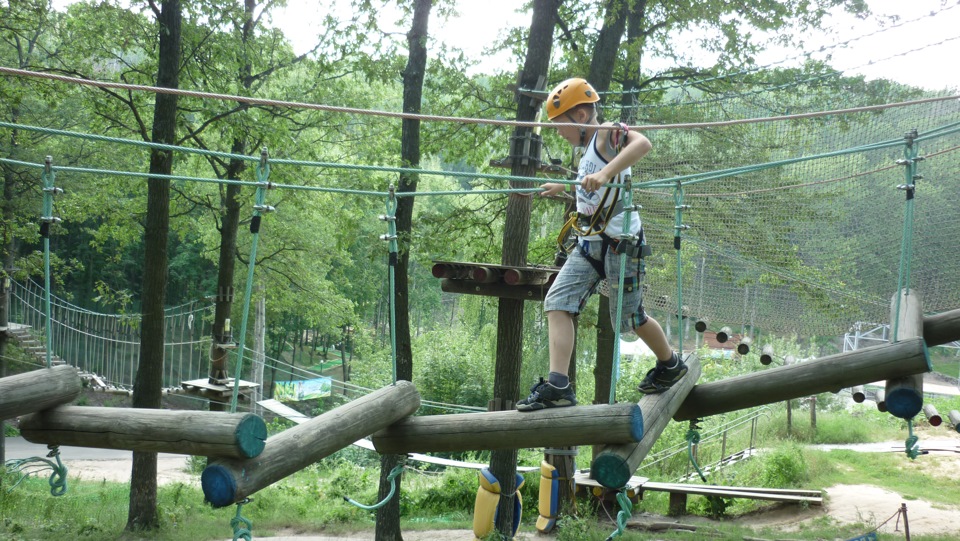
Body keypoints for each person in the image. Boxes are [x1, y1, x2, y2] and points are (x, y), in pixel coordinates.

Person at [517, 78, 687, 412]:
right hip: (590, 245)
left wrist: (608, 173)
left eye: (559, 125)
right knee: (558, 301)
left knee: (630, 318)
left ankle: (670, 364)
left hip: (622, 244)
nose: (557, 133)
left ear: (580, 115)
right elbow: (594, 195)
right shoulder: (586, 155)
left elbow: (643, 143)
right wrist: (565, 188)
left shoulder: (608, 133)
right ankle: (558, 385)